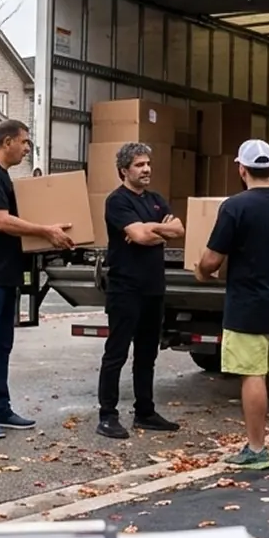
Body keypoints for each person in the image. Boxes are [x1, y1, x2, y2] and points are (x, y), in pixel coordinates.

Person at [0, 119, 74, 439]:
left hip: (4, 274)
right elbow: (1, 221)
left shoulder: (2, 177)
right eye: (24, 142)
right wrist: (45, 231)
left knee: (1, 345)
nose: (27, 148)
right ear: (7, 141)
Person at [195, 139, 269, 470]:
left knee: (252, 375)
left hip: (248, 305)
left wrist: (201, 271)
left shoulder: (234, 207)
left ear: (241, 169)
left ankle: (257, 449)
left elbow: (212, 259)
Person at [96, 142, 185, 439]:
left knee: (147, 354)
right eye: (139, 165)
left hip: (153, 288)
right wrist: (153, 231)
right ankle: (107, 415)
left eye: (148, 163)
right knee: (116, 353)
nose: (146, 169)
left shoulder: (157, 199)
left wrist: (151, 232)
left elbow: (179, 230)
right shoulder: (117, 201)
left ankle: (145, 412)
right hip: (125, 288)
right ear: (124, 170)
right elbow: (138, 235)